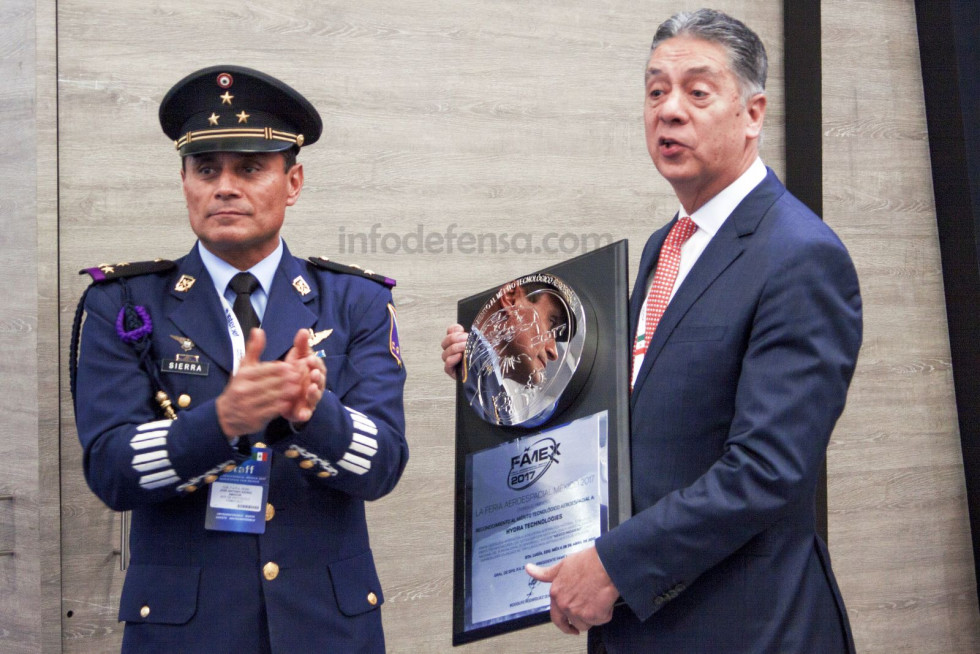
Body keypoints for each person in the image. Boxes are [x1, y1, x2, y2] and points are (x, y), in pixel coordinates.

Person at [441, 9, 860, 653]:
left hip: (745, 626)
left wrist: (613, 565)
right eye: (655, 90)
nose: (669, 110)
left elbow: (766, 471)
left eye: (697, 91)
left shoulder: (800, 254)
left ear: (753, 114)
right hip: (640, 624)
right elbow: (631, 411)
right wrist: (497, 369)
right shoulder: (666, 245)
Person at [71, 65, 408, 653]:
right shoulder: (122, 303)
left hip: (326, 628)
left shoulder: (356, 301)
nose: (225, 187)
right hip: (186, 632)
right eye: (206, 170)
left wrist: (312, 415)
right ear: (184, 182)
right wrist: (221, 422)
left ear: (294, 181)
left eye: (249, 168)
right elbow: (110, 471)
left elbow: (384, 466)